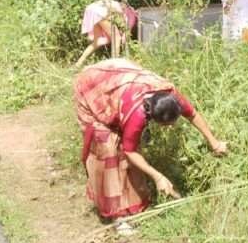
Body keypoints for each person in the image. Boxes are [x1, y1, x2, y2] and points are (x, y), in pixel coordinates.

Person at [74, 58, 228, 222]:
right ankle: (117, 215)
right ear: (153, 117)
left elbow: (193, 115)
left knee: (128, 147)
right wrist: (158, 177)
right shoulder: (137, 115)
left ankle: (133, 203)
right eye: (167, 124)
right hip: (93, 86)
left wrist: (214, 142)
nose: (172, 126)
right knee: (108, 150)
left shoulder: (171, 96)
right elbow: (130, 151)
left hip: (118, 77)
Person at [75, 0, 138, 67]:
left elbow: (112, 16)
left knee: (98, 42)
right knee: (116, 38)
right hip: (99, 12)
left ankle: (78, 64)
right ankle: (114, 64)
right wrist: (123, 37)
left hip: (91, 10)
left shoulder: (116, 4)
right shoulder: (132, 14)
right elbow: (126, 31)